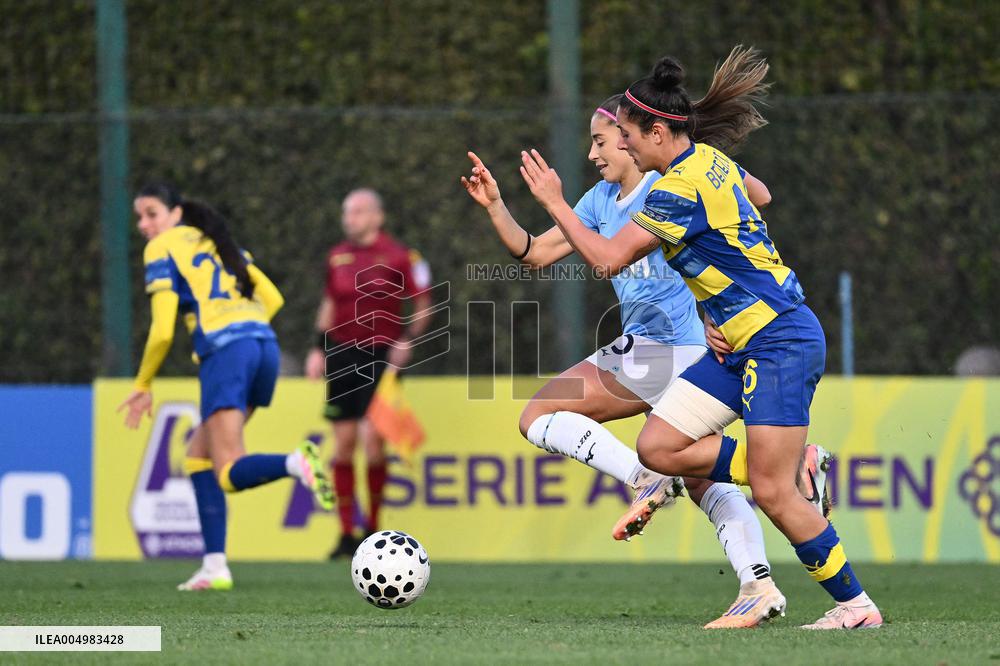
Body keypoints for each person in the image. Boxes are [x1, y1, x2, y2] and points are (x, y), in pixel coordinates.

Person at [462, 47, 831, 629]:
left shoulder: (668, 190)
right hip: (654, 349)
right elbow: (534, 253)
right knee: (703, 480)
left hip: (676, 350)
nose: (595, 152)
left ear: (636, 138)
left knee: (541, 416)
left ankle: (646, 478)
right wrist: (498, 206)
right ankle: (757, 581)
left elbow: (751, 198)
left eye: (604, 141)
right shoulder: (602, 201)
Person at [119, 183, 334, 591]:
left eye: (152, 213)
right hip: (263, 347)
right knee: (197, 456)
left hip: (228, 353)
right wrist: (242, 323)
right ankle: (214, 566)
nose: (144, 224)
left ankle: (295, 463)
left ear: (175, 214)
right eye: (139, 217)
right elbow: (272, 297)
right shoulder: (217, 241)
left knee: (230, 470)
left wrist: (143, 383)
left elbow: (162, 332)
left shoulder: (162, 248)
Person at [305, 188, 433, 559]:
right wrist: (317, 347)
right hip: (342, 355)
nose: (350, 218)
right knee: (343, 447)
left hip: (381, 358)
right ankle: (345, 534)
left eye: (358, 211)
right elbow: (329, 303)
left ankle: (371, 530)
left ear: (378, 216)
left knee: (372, 445)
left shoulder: (401, 256)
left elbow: (424, 303)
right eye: (347, 212)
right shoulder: (336, 256)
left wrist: (408, 338)